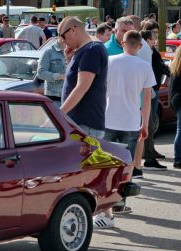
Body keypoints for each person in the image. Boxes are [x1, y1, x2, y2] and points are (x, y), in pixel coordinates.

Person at [93, 31, 155, 229]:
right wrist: (145, 124)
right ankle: (119, 201)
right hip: (131, 121)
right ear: (139, 46)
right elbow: (147, 100)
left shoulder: (110, 61)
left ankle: (105, 209)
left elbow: (99, 90)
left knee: (105, 165)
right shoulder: (145, 67)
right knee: (124, 167)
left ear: (122, 43)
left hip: (109, 118)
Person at [59, 17, 108, 139]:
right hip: (80, 124)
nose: (64, 42)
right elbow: (74, 80)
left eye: (63, 37)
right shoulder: (84, 50)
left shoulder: (92, 50)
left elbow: (82, 87)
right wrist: (69, 59)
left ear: (73, 29)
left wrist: (58, 114)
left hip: (86, 125)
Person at [141, 24, 169, 170]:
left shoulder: (151, 50)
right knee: (148, 124)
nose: (156, 38)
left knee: (150, 124)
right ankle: (148, 156)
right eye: (154, 34)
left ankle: (150, 151)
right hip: (150, 90)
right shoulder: (145, 51)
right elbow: (152, 68)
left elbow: (159, 66)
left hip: (154, 88)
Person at [37, 36, 66, 104]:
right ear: (60, 36)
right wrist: (60, 76)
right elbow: (40, 73)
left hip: (69, 96)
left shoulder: (73, 50)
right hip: (53, 97)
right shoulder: (49, 51)